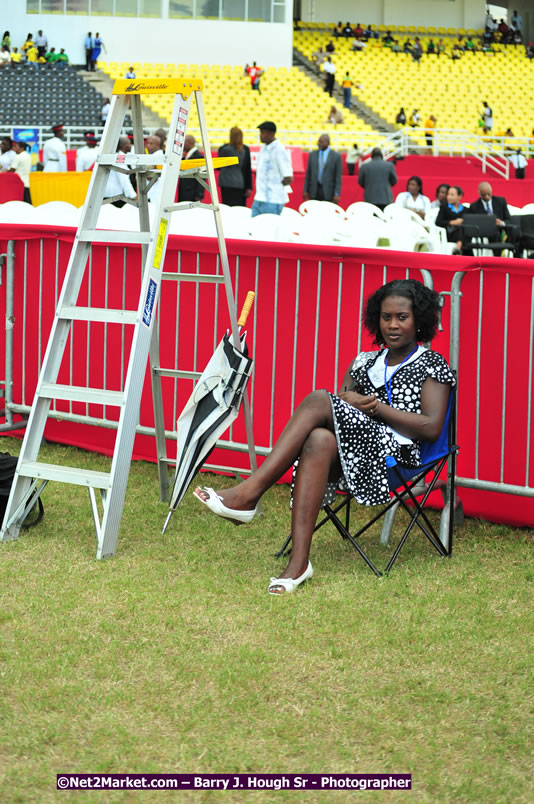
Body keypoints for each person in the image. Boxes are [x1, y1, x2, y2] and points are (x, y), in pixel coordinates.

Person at [193, 279, 455, 594]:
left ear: (419, 320)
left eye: (402, 317)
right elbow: (341, 406)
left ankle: (249, 493)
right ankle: (298, 564)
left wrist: (374, 408)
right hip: (352, 457)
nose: (393, 325)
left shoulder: (432, 364)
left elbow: (431, 427)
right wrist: (349, 402)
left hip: (398, 459)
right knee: (319, 438)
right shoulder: (364, 362)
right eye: (386, 317)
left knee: (320, 398)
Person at [251, 121, 293, 217]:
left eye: (263, 133)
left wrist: (276, 186)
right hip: (259, 197)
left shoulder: (279, 150)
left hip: (273, 200)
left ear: (271, 133)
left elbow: (288, 177)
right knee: (253, 229)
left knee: (268, 230)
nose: (260, 135)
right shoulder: (263, 149)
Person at [217, 126, 252, 207]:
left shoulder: (223, 149)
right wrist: (249, 187)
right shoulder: (245, 149)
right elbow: (247, 169)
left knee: (226, 207)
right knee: (239, 208)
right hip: (240, 183)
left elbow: (218, 166)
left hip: (226, 183)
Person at [303, 134, 342, 204]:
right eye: (319, 141)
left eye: (322, 142)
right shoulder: (312, 155)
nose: (319, 143)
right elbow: (308, 175)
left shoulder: (336, 156)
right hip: (314, 191)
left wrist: (337, 193)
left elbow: (338, 177)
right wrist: (305, 190)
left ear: (328, 143)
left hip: (329, 192)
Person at [436, 185, 471, 252]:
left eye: (452, 195)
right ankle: (459, 247)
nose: (449, 197)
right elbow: (438, 222)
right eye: (448, 194)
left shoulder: (466, 209)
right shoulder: (444, 207)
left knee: (463, 228)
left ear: (459, 196)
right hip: (450, 233)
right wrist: (452, 222)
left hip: (463, 233)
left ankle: (458, 248)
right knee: (461, 229)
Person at [104, 137, 137, 208]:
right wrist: (133, 195)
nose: (131, 145)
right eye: (129, 143)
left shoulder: (119, 156)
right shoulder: (118, 158)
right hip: (115, 197)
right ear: (124, 146)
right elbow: (123, 178)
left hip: (111, 195)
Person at [177, 134, 205, 203]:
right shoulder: (187, 155)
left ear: (189, 143)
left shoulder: (198, 156)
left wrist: (199, 194)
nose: (182, 145)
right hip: (184, 192)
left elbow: (202, 176)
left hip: (192, 194)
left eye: (184, 142)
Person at [8, 140, 32, 204]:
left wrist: (5, 171)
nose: (14, 149)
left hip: (18, 183)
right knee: (27, 204)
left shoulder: (18, 157)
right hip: (26, 183)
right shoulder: (28, 155)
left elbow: (12, 170)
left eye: (16, 147)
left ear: (21, 148)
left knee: (18, 204)